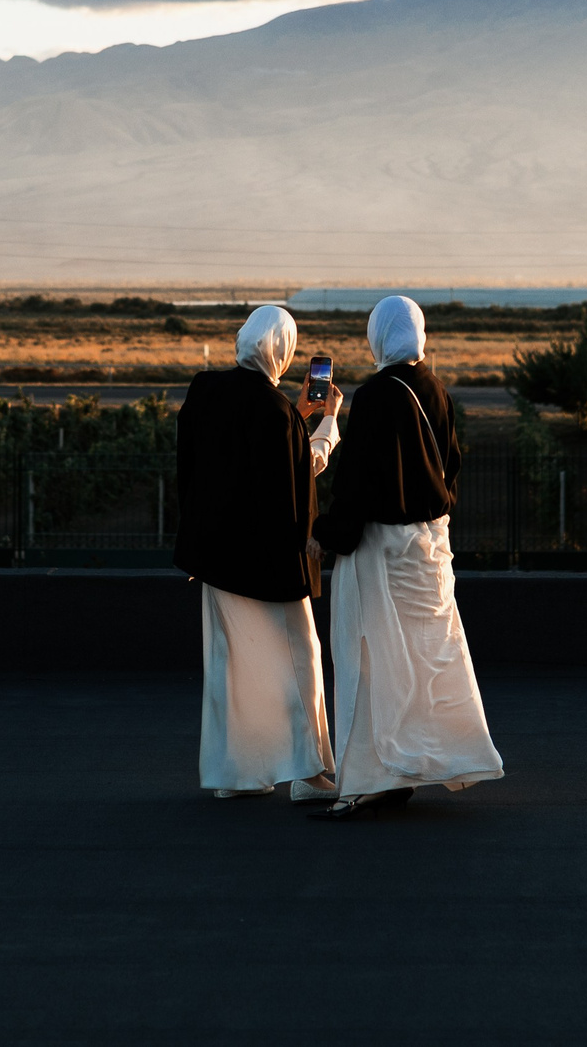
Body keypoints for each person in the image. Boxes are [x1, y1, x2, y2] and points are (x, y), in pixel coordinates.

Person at [309, 295, 504, 818]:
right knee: (425, 661)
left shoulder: (376, 395)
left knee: (368, 661)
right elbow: (451, 467)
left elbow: (357, 482)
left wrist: (327, 533)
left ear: (379, 336)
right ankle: (416, 764)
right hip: (429, 547)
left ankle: (373, 777)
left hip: (382, 553)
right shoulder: (436, 390)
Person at [174, 304, 344, 801]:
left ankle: (237, 776)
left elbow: (210, 463)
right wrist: (327, 424)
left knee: (231, 669)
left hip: (216, 559)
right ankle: (310, 773)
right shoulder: (276, 413)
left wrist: (296, 415)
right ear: (282, 351)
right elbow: (298, 471)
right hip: (271, 566)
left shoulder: (205, 389)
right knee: (300, 661)